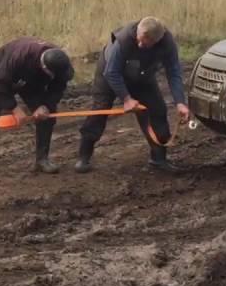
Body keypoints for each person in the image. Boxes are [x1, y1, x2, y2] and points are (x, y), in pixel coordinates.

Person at [76, 17, 190, 173]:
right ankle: (84, 157)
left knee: (158, 111)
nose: (140, 44)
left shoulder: (167, 43)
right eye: (139, 40)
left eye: (145, 43)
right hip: (109, 73)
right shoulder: (124, 39)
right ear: (139, 31)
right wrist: (127, 98)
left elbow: (174, 71)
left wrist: (180, 102)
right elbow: (111, 72)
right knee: (99, 110)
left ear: (157, 40)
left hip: (142, 76)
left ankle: (158, 159)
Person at [0, 37, 73, 178]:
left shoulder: (62, 65)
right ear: (44, 66)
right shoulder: (19, 57)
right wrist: (15, 108)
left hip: (31, 83)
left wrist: (46, 106)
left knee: (46, 117)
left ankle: (42, 160)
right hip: (1, 79)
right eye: (51, 74)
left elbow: (58, 88)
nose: (54, 76)